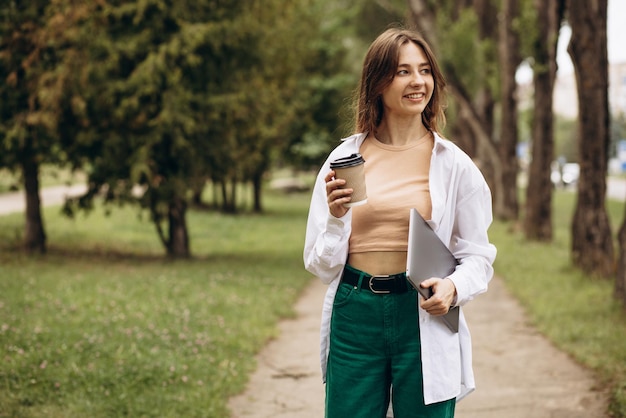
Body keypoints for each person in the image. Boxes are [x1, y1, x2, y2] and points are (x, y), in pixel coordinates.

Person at [303, 27, 497, 418]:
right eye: (403, 71)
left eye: (424, 70)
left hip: (423, 311)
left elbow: (478, 255)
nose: (418, 81)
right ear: (377, 82)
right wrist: (338, 220)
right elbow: (320, 264)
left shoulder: (453, 164)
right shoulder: (345, 159)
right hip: (355, 313)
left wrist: (453, 287)